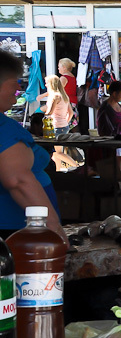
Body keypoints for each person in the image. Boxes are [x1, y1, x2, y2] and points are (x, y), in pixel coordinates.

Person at [0, 50, 64, 238]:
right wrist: (54, 229)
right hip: (15, 233)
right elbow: (18, 180)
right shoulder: (3, 128)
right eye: (14, 82)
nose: (18, 88)